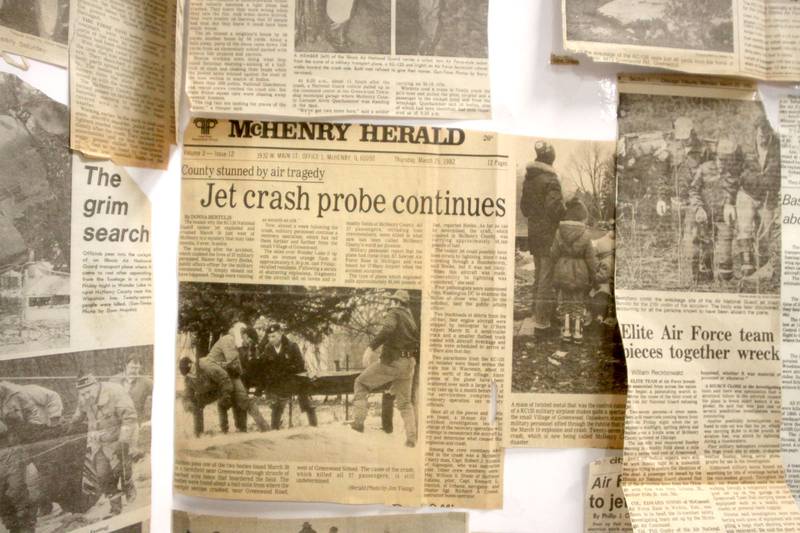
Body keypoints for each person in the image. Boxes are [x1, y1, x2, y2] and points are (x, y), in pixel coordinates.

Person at [350, 290, 419, 447]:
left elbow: (388, 329)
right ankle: (411, 439)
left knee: (361, 383)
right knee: (405, 403)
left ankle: (358, 423)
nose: (390, 303)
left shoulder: (394, 313)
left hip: (392, 362)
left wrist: (370, 348)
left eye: (392, 301)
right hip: (408, 364)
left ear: (396, 302)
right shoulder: (410, 319)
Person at [70, 374, 137, 517]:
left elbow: (129, 417)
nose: (86, 396)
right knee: (103, 475)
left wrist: (123, 440)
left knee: (121, 469)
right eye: (82, 394)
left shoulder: (115, 391)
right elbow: (79, 415)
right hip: (98, 442)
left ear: (96, 385)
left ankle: (128, 484)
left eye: (88, 392)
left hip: (120, 436)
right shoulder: (84, 397)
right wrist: (71, 425)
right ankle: (115, 509)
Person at [520, 141, 565, 334]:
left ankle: (536, 312)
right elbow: (555, 209)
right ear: (551, 158)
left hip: (534, 233)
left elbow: (525, 208)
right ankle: (542, 319)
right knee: (547, 277)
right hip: (548, 235)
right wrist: (565, 209)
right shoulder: (551, 180)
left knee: (539, 275)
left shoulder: (529, 178)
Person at [686, 138, 742, 283]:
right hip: (704, 217)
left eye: (728, 160)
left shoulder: (736, 172)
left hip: (724, 218)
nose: (723, 163)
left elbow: (739, 193)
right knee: (703, 251)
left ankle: (725, 279)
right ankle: (703, 279)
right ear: (716, 156)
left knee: (725, 257)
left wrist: (732, 205)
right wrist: (698, 208)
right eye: (721, 159)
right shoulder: (704, 169)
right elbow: (693, 191)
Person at [736, 116, 780, 278]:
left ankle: (762, 266)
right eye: (760, 134)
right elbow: (734, 171)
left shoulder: (779, 148)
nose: (763, 137)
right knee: (745, 228)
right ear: (755, 132)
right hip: (746, 193)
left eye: (766, 134)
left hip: (768, 196)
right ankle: (747, 265)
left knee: (765, 233)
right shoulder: (744, 147)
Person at [550, 198, 598, 343]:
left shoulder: (559, 232)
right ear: (581, 216)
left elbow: (554, 253)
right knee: (578, 301)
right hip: (580, 272)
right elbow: (591, 258)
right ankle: (577, 331)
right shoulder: (586, 234)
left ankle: (566, 330)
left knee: (564, 301)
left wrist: (556, 266)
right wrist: (594, 274)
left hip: (562, 270)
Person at [207, 323, 269, 433]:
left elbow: (241, 364)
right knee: (224, 403)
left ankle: (260, 429)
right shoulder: (229, 340)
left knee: (243, 401)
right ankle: (225, 431)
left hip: (232, 375)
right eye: (249, 341)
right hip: (221, 375)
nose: (249, 344)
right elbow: (233, 363)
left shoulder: (242, 345)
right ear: (244, 335)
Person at [260, 324, 318, 429]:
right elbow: (265, 367)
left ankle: (313, 425)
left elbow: (300, 365)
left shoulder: (292, 346)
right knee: (276, 404)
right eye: (269, 336)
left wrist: (285, 370)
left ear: (281, 334)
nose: (271, 339)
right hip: (276, 382)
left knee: (304, 401)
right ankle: (275, 428)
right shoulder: (268, 348)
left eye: (273, 336)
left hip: (293, 380)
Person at [179, 356, 234, 437]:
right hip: (209, 392)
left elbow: (224, 378)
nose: (191, 374)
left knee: (222, 403)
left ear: (192, 365)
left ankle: (225, 430)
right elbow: (187, 395)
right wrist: (188, 404)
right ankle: (199, 433)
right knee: (196, 405)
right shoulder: (188, 378)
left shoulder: (206, 366)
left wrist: (226, 395)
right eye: (188, 374)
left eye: (191, 371)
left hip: (222, 386)